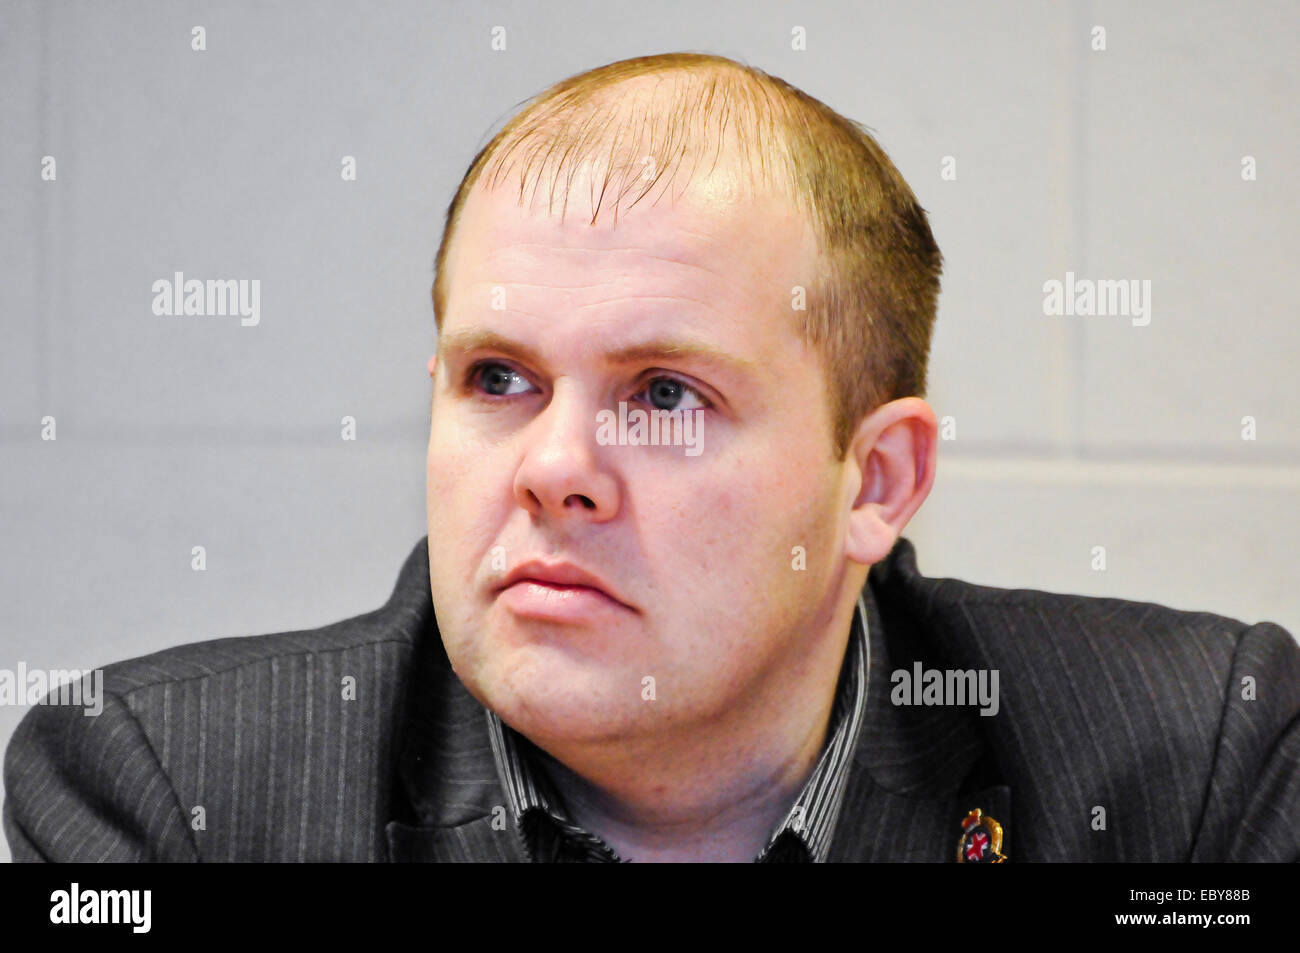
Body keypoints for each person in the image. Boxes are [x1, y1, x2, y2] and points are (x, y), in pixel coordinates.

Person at [5, 52, 1296, 863]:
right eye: (497, 378)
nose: (551, 466)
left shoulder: (1194, 759)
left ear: (877, 482)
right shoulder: (175, 792)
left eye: (664, 393)